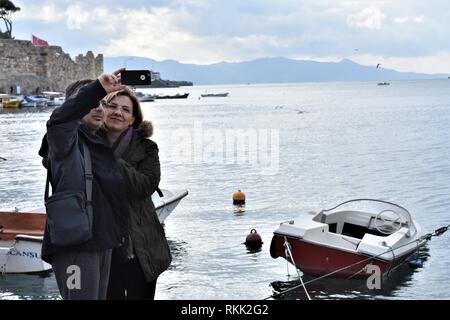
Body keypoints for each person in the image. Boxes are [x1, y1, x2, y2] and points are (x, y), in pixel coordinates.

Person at [38, 69, 129, 300]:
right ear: (77, 107)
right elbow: (60, 118)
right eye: (92, 103)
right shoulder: (64, 141)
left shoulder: (98, 142)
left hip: (102, 242)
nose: (99, 108)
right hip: (76, 246)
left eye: (102, 103)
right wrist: (97, 86)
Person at [101, 87, 171, 300]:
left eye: (125, 109)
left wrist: (111, 160)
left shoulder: (147, 148)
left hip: (139, 246)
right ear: (101, 109)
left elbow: (145, 186)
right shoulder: (85, 143)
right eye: (112, 106)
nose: (117, 112)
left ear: (132, 119)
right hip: (101, 245)